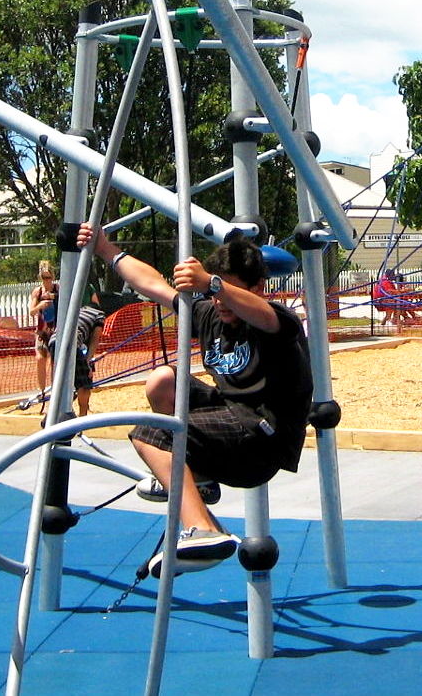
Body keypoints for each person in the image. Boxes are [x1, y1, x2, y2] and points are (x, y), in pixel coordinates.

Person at [78, 222, 313, 578]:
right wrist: (106, 250)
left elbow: (265, 316)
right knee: (163, 380)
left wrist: (211, 283)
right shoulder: (211, 314)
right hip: (230, 420)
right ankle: (197, 480)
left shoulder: (276, 322)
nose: (221, 302)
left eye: (230, 292)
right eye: (216, 294)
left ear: (256, 289)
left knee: (152, 434)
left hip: (263, 439)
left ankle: (203, 529)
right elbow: (153, 284)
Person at [47, 304, 107, 417]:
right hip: (72, 343)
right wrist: (88, 363)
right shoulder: (99, 315)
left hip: (54, 341)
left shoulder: (78, 310)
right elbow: (94, 340)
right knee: (84, 383)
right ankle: (82, 417)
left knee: (61, 378)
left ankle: (55, 414)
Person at [30, 260, 57, 398]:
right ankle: (41, 391)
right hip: (41, 331)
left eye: (49, 277)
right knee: (40, 359)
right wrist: (41, 305)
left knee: (54, 360)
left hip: (55, 331)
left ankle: (54, 390)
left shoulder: (58, 289)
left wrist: (53, 298)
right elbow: (32, 311)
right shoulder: (38, 291)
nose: (46, 280)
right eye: (44, 277)